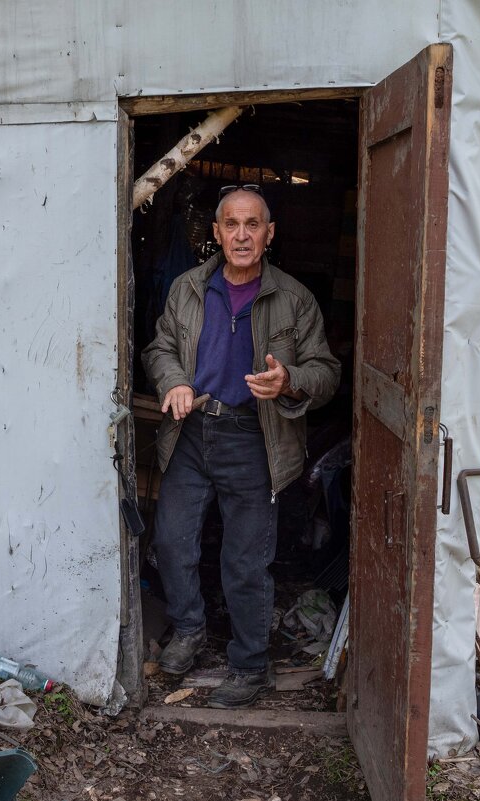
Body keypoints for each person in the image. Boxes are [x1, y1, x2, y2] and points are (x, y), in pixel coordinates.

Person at [142, 185, 341, 708]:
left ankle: (250, 665)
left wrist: (291, 380)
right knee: (171, 540)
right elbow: (159, 347)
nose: (242, 235)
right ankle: (187, 630)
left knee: (246, 559)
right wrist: (174, 383)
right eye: (231, 225)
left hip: (255, 437)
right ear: (216, 233)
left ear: (269, 234)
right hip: (190, 431)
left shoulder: (294, 299)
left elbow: (328, 372)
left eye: (253, 225)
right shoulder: (187, 288)